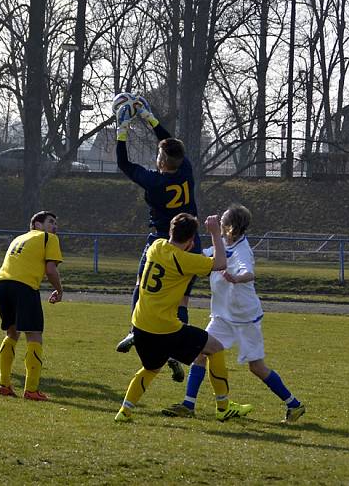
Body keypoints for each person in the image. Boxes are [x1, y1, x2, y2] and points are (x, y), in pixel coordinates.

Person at [162, 205, 306, 423]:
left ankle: (294, 405)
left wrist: (237, 278)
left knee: (256, 367)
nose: (219, 226)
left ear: (230, 227)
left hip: (245, 318)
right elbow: (203, 257)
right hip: (222, 317)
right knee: (200, 354)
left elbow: (249, 272)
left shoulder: (242, 249)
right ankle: (188, 405)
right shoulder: (222, 244)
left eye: (222, 224)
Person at [115, 213, 253, 423]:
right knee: (215, 348)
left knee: (151, 369)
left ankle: (124, 411)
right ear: (190, 243)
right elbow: (220, 262)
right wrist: (216, 233)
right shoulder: (185, 260)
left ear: (171, 232)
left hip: (140, 324)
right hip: (165, 328)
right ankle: (224, 407)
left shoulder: (156, 246)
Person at [113, 96, 199, 383]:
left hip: (162, 241)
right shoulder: (185, 170)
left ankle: (135, 332)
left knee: (142, 286)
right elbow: (171, 143)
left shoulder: (155, 180)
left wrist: (122, 129)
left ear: (161, 161)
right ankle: (175, 349)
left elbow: (124, 164)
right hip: (191, 243)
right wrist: (149, 118)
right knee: (181, 298)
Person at [0, 210, 63, 401]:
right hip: (24, 287)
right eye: (50, 222)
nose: (54, 226)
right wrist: (59, 290)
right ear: (37, 225)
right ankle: (31, 390)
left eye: (56, 223)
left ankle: (4, 385)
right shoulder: (48, 238)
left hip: (1, 284)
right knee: (34, 335)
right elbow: (51, 269)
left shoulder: (19, 238)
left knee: (12, 332)